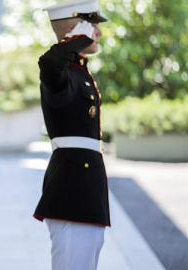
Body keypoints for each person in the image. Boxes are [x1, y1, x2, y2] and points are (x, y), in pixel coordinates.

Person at [33, 0, 110, 269]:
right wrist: (76, 39)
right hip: (72, 189)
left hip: (86, 188)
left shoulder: (79, 72)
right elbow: (50, 63)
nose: (98, 32)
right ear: (73, 29)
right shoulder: (61, 73)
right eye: (93, 26)